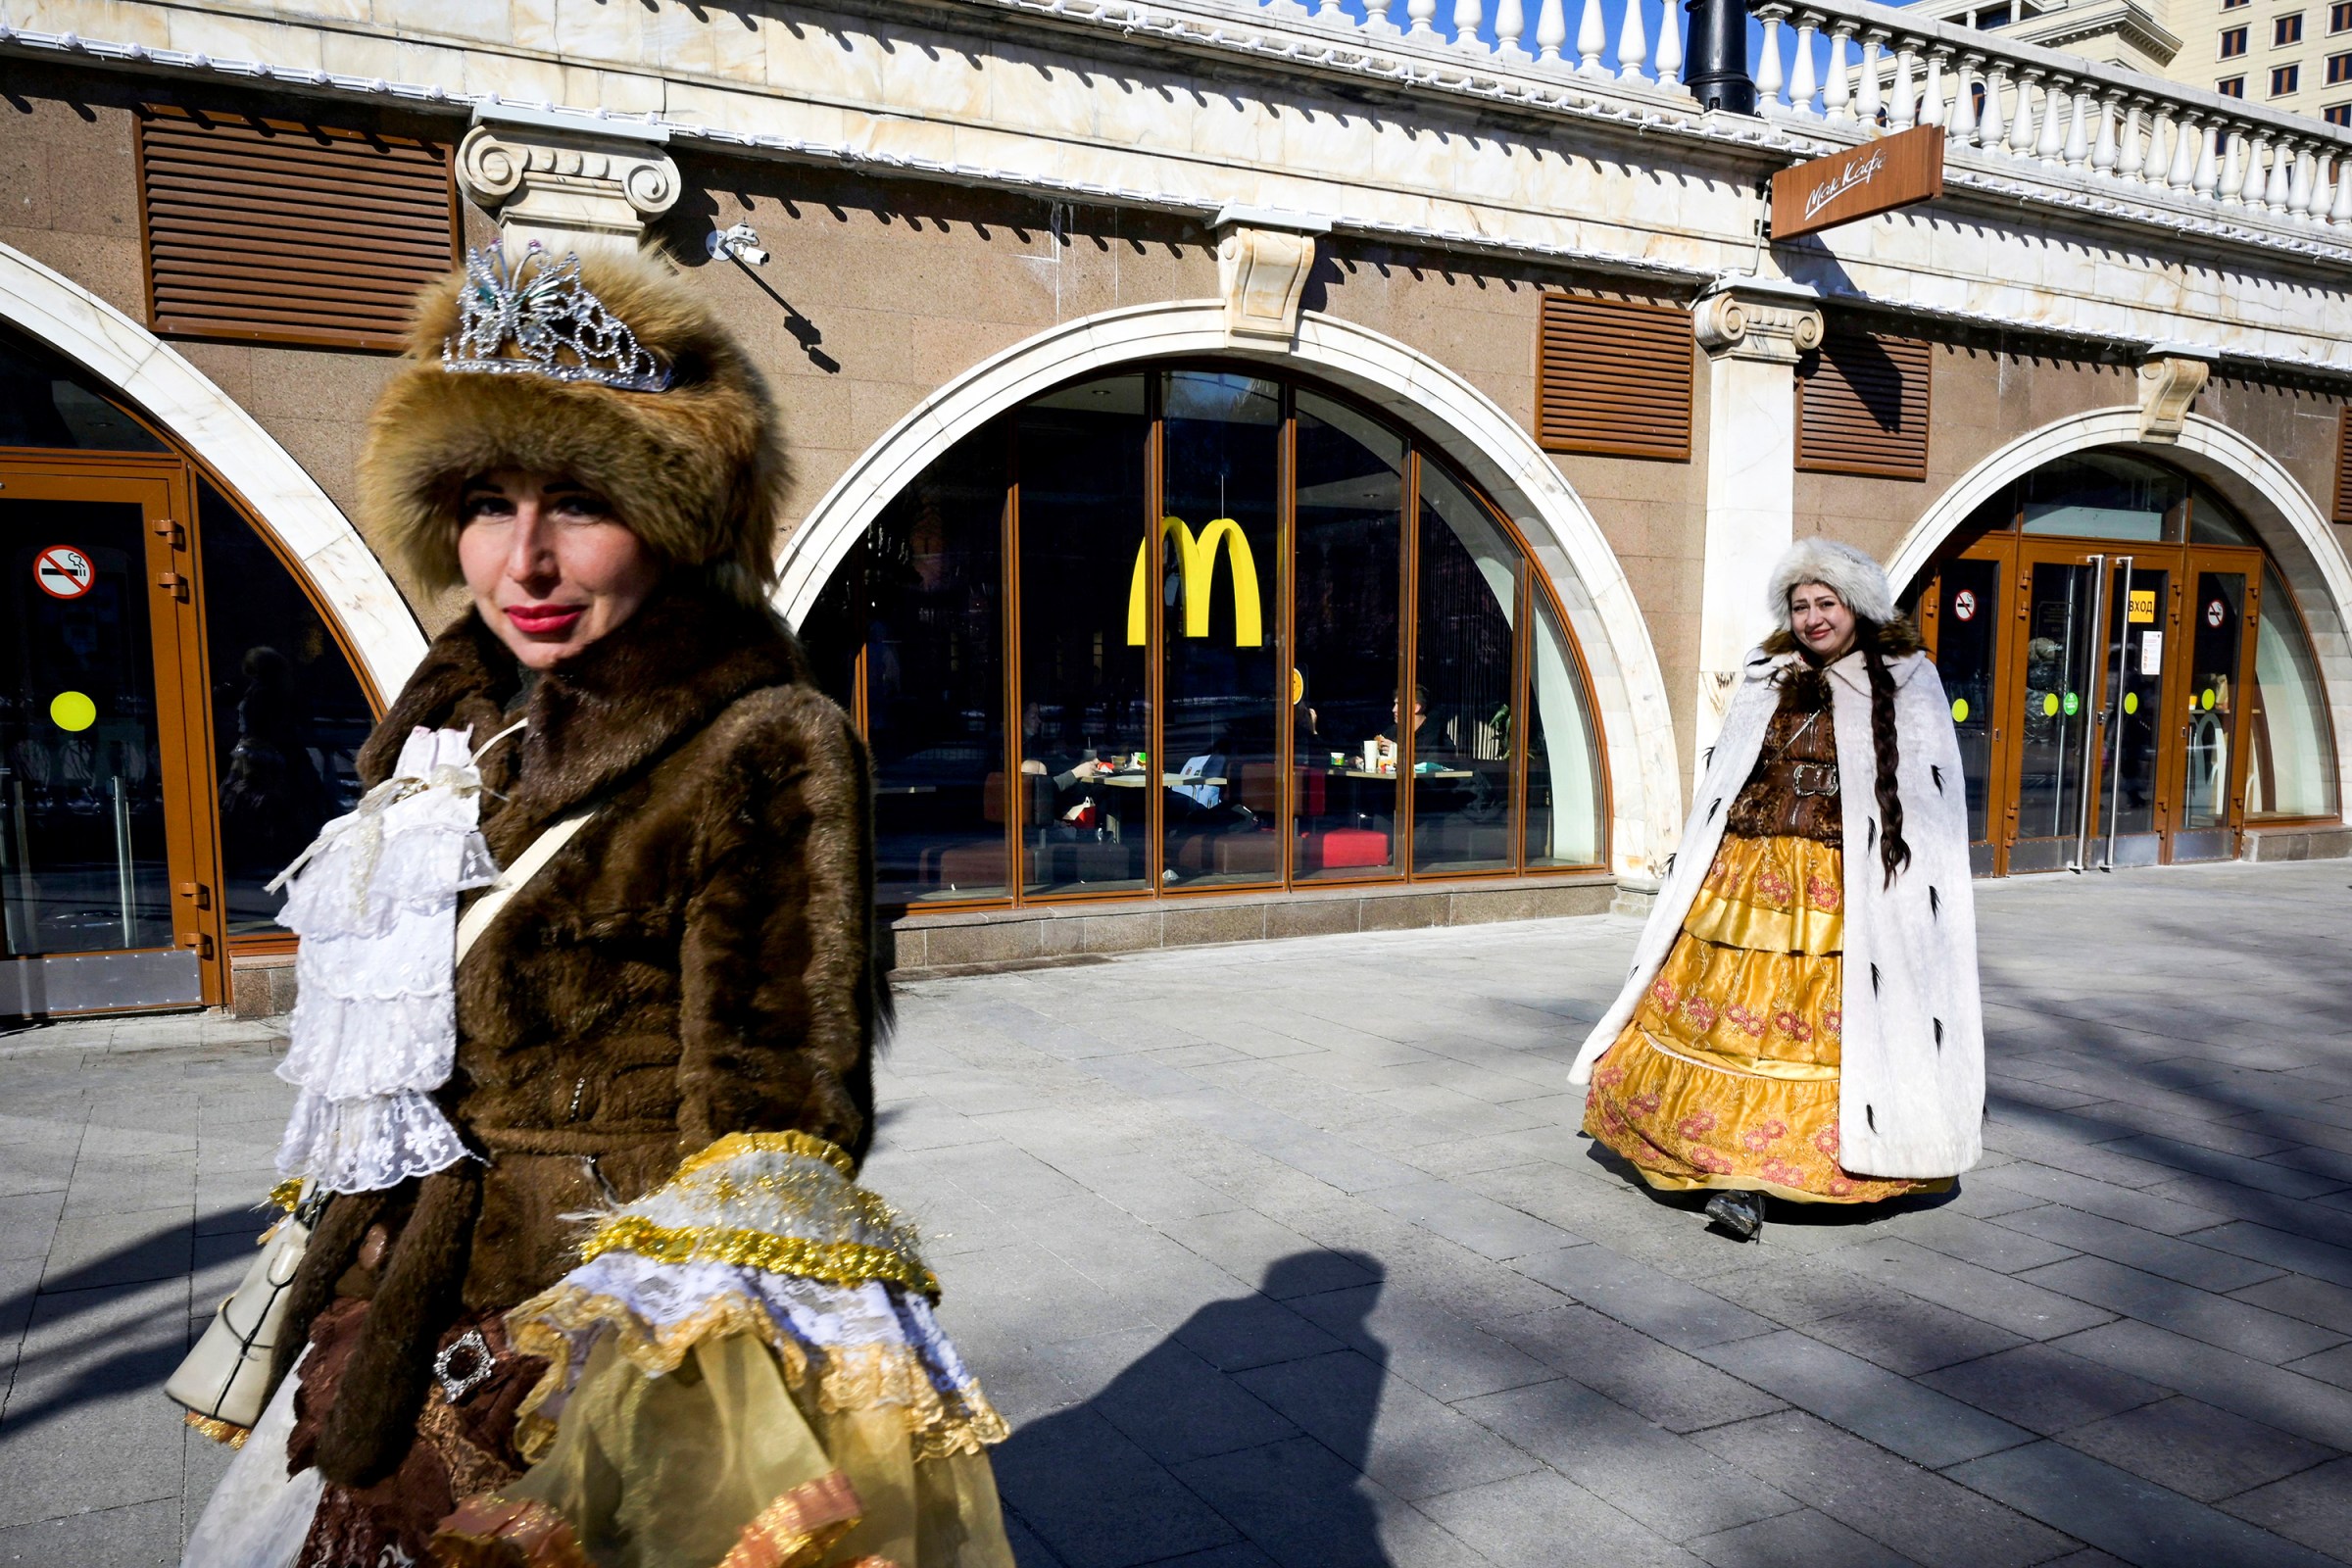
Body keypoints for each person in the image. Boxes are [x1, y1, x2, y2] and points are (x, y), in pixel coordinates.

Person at [181, 245, 1014, 1567]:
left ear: (675, 518)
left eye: (579, 502)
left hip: (585, 1342)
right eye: (486, 502)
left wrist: (561, 1372)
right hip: (398, 1291)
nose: (526, 559)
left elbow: (774, 1140)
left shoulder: (760, 741)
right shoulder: (454, 734)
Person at [1569, 539, 1984, 1242]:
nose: (1814, 618)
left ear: (1856, 606)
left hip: (1845, 891)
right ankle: (1733, 1180)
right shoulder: (1770, 675)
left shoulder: (1906, 680)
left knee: (1825, 1030)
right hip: (1747, 877)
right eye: (1801, 606)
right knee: (1731, 1021)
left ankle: (1861, 1155)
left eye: (1826, 603)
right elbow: (1732, 773)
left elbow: (1928, 799)